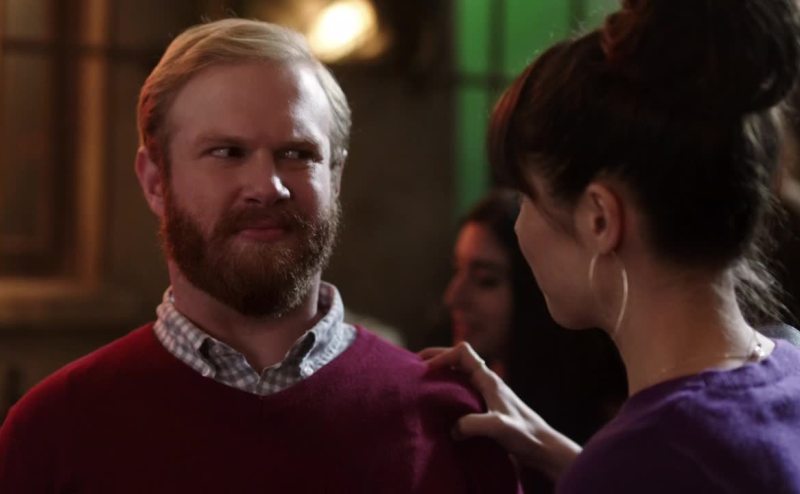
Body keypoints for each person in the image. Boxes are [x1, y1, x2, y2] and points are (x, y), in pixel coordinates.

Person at [0, 19, 520, 493]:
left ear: (335, 176)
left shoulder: (450, 422)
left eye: (297, 154)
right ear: (156, 181)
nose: (267, 186)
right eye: (227, 152)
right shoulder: (52, 434)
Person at [422, 0, 800, 492]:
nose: (520, 227)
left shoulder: (643, 460)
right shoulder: (788, 362)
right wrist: (570, 458)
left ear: (599, 218)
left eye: (527, 197)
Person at [443, 190, 627, 492]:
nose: (454, 297)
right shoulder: (462, 395)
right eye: (457, 271)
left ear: (535, 290)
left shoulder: (609, 422)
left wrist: (543, 449)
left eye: (486, 280)